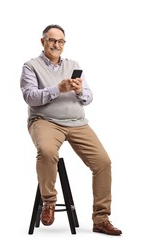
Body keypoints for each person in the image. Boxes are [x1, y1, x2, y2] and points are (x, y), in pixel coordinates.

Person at [20, 24, 122, 235]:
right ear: (43, 42)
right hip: (45, 120)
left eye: (60, 41)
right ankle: (49, 203)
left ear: (64, 44)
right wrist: (58, 89)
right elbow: (30, 96)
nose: (56, 45)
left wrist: (79, 90)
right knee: (47, 152)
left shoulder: (73, 64)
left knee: (103, 162)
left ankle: (101, 219)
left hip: (77, 122)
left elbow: (88, 98)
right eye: (52, 40)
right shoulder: (30, 66)